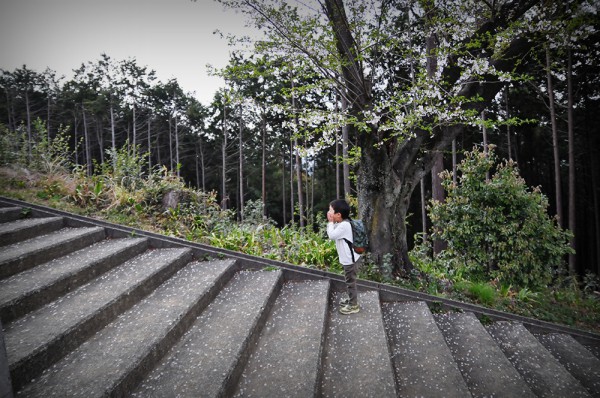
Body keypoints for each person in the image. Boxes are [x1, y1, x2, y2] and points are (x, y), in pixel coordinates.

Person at [327, 199, 361, 315]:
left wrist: (330, 222)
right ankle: (351, 300)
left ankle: (353, 305)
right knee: (349, 281)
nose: (329, 213)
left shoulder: (344, 226)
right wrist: (333, 222)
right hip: (349, 259)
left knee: (350, 282)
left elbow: (331, 235)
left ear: (338, 214)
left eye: (330, 210)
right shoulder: (343, 223)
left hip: (350, 261)